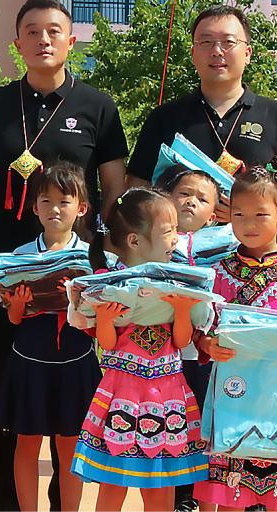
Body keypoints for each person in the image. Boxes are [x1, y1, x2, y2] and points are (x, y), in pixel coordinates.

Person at [0, 0, 128, 512]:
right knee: (10, 389)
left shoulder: (98, 106)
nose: (43, 40)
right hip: (8, 273)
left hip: (78, 273)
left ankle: (64, 503)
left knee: (72, 392)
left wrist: (109, 260)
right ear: (17, 44)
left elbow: (115, 189)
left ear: (71, 41)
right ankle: (6, 502)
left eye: (54, 30)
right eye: (32, 31)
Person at [193, 159, 277, 511]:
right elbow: (202, 327)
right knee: (228, 490)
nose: (248, 224)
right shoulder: (217, 272)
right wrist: (208, 344)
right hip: (234, 396)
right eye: (239, 215)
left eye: (260, 215)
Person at [71, 188, 209, 512]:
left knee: (161, 485)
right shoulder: (107, 282)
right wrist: (106, 318)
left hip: (167, 391)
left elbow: (181, 341)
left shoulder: (178, 280)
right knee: (113, 481)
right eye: (168, 231)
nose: (176, 239)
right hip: (123, 391)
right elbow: (107, 344)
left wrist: (182, 310)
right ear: (135, 241)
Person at [126, 5, 277, 220]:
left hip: (251, 239)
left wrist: (249, 209)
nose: (217, 51)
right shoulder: (164, 117)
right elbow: (136, 185)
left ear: (247, 54)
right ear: (193, 54)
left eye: (228, 42)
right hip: (177, 240)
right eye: (206, 42)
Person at [0, 163, 101, 512]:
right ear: (35, 208)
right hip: (29, 357)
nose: (55, 209)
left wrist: (79, 299)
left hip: (76, 356)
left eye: (64, 201)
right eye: (46, 201)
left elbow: (99, 319)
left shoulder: (93, 256)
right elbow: (13, 318)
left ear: (81, 208)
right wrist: (18, 303)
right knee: (27, 442)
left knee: (71, 444)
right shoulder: (20, 255)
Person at [153, 166, 221, 512]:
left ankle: (202, 496)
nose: (191, 202)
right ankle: (180, 499)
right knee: (172, 431)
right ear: (168, 200)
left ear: (214, 215)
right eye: (184, 194)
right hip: (166, 359)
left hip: (207, 358)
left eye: (202, 198)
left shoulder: (227, 247)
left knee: (205, 430)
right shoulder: (153, 245)